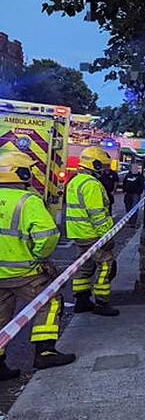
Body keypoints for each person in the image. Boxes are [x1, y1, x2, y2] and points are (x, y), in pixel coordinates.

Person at [0, 152, 76, 380]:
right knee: (49, 301)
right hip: (25, 272)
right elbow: (48, 236)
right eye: (28, 170)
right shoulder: (27, 201)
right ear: (20, 173)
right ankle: (45, 351)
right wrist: (38, 257)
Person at [65, 147, 119, 317]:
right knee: (106, 266)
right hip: (93, 234)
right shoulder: (91, 185)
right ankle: (102, 302)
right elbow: (97, 215)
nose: (104, 170)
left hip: (78, 234)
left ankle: (82, 300)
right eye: (101, 166)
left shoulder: (74, 181)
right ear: (94, 164)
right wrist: (107, 236)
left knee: (84, 267)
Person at [122, 162, 145, 227]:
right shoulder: (128, 175)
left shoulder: (140, 176)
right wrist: (124, 190)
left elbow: (142, 185)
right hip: (128, 194)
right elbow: (124, 183)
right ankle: (129, 220)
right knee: (128, 207)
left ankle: (133, 222)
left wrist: (139, 192)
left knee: (134, 208)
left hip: (135, 194)